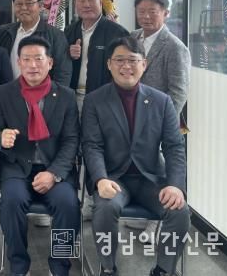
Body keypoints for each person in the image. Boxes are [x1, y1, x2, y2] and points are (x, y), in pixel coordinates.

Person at [81, 37, 190, 276]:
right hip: (113, 178)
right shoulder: (94, 100)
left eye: (132, 60)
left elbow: (174, 147)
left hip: (150, 179)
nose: (126, 66)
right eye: (119, 60)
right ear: (109, 64)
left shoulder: (162, 101)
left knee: (179, 210)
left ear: (144, 64)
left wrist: (175, 185)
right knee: (105, 208)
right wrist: (100, 179)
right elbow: (92, 145)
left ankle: (164, 270)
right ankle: (108, 268)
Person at [0, 36, 80, 276]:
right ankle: (19, 265)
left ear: (50, 62)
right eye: (26, 59)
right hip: (17, 166)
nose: (32, 65)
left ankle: (59, 266)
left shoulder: (66, 96)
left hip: (53, 168)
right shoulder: (3, 93)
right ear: (18, 62)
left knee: (68, 204)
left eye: (38, 59)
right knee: (11, 201)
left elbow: (71, 140)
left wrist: (54, 173)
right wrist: (1, 137)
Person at [130, 0, 190, 238]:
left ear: (166, 14)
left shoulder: (175, 47)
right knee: (139, 163)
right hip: (130, 115)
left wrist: (163, 122)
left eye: (152, 12)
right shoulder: (132, 37)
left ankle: (157, 223)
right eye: (141, 11)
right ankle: (144, 213)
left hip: (158, 119)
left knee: (159, 167)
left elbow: (179, 91)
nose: (146, 16)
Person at [64, 0, 129, 112]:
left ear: (100, 2)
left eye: (91, 0)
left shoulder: (117, 32)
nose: (86, 5)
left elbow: (125, 67)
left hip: (105, 99)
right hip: (72, 97)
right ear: (75, 4)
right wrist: (67, 54)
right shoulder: (69, 31)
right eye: (81, 1)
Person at [0, 0, 72, 87]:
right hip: (9, 94)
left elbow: (63, 72)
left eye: (29, 3)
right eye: (19, 4)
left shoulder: (56, 36)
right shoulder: (2, 33)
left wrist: (55, 95)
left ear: (40, 6)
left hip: (42, 94)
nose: (23, 8)